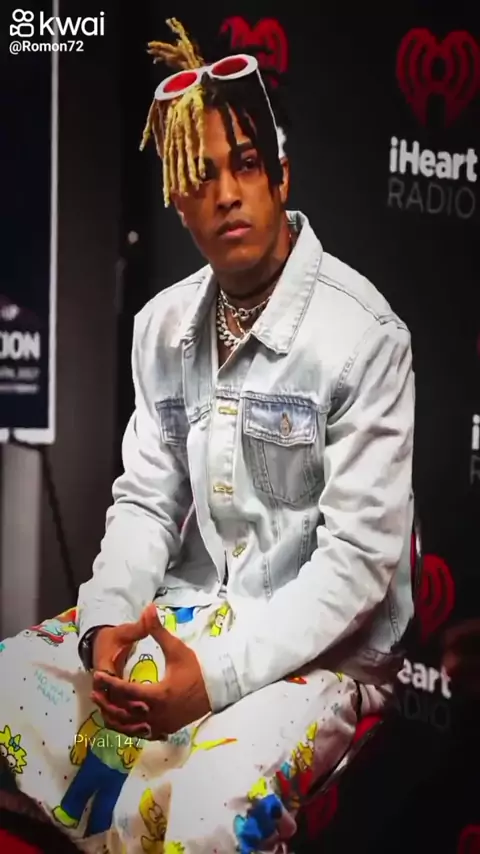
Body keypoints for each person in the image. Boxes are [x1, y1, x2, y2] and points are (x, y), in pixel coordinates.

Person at [0, 17, 415, 854]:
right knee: (10, 687)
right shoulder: (162, 327)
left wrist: (214, 680)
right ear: (176, 197)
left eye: (246, 164)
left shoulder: (364, 337)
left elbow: (356, 569)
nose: (226, 192)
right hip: (186, 618)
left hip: (320, 658)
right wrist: (105, 626)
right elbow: (146, 504)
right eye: (199, 175)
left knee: (203, 816)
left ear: (281, 172)